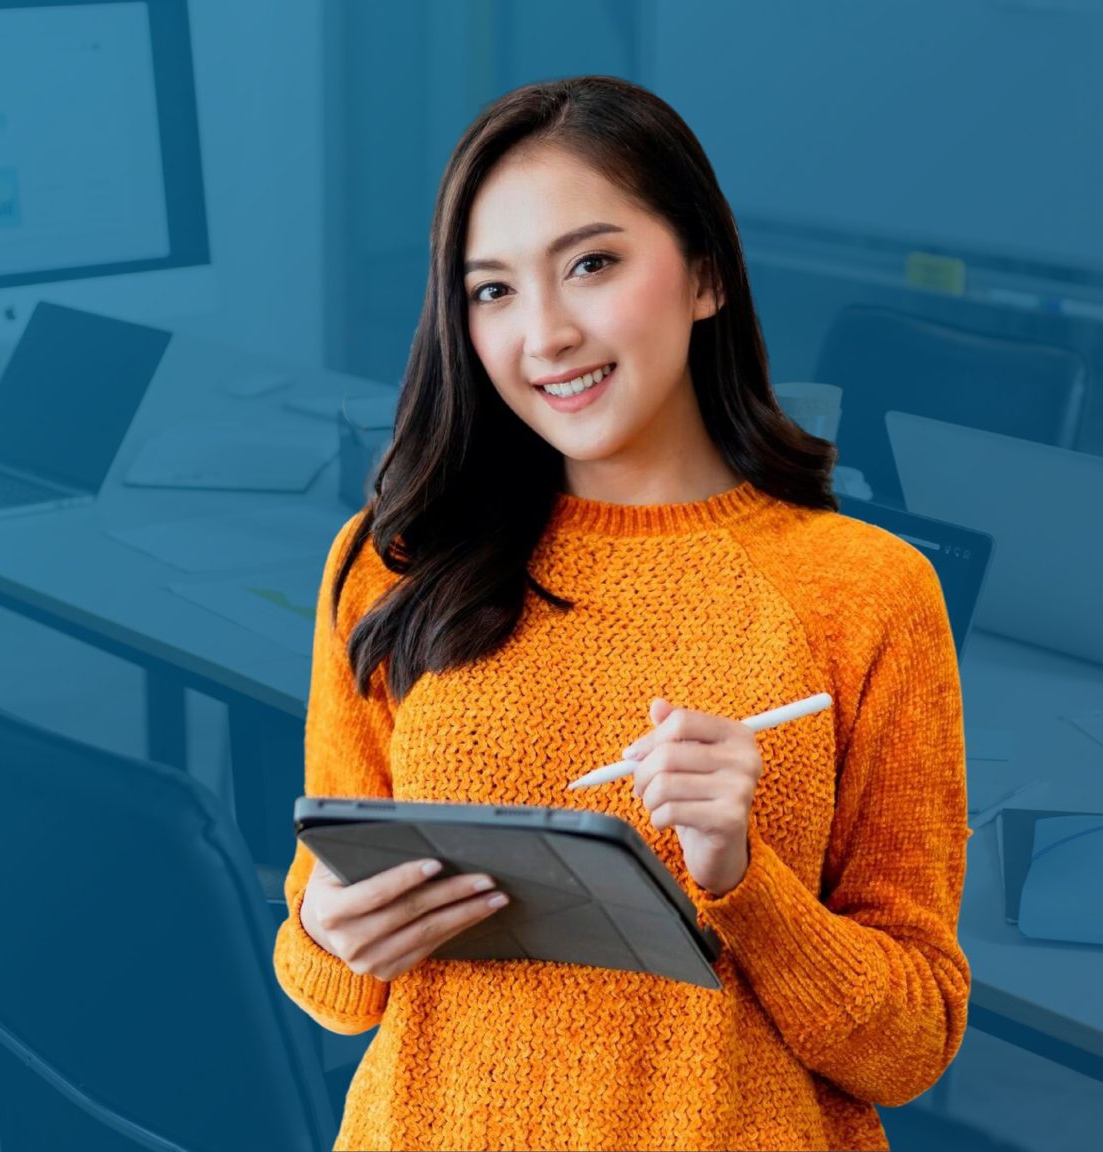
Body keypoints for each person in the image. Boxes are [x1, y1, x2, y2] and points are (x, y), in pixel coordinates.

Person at [274, 75, 969, 1151]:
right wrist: (326, 934)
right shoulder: (393, 563)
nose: (544, 334)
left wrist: (742, 879)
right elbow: (331, 985)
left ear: (703, 272)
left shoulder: (863, 588)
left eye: (590, 265)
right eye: (491, 290)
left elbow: (909, 1046)